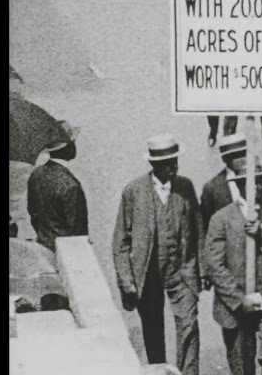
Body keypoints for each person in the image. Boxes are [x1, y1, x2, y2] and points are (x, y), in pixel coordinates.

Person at [112, 134, 202, 375]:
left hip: (181, 271)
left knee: (189, 325)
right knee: (152, 328)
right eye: (166, 163)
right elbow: (120, 241)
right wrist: (127, 279)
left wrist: (201, 268)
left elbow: (198, 228)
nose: (173, 167)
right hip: (147, 274)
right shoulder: (133, 191)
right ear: (153, 165)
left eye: (175, 161)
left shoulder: (185, 187)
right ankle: (160, 371)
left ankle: (189, 372)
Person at [203, 154, 262, 375]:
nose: (256, 186)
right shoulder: (221, 219)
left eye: (260, 181)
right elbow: (214, 266)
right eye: (250, 182)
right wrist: (239, 300)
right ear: (239, 185)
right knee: (241, 363)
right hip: (234, 302)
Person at [27, 121, 88, 253]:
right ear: (68, 147)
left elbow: (33, 214)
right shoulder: (71, 185)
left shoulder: (36, 175)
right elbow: (78, 233)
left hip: (43, 248)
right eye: (73, 142)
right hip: (66, 253)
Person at [200, 134, 250, 230]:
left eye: (244, 154)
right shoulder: (212, 188)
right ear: (225, 159)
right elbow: (206, 223)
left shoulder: (256, 178)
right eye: (236, 156)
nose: (242, 160)